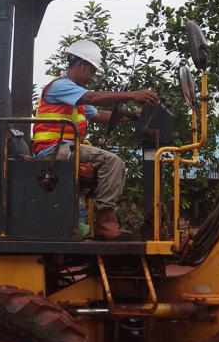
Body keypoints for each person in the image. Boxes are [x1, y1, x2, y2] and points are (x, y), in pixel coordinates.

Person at [32, 40, 158, 241]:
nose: (92, 77)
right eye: (91, 71)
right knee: (112, 162)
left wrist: (134, 116)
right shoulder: (61, 86)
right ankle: (105, 223)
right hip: (53, 150)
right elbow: (92, 98)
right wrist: (133, 95)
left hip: (66, 150)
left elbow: (99, 114)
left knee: (100, 169)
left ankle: (82, 219)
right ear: (81, 64)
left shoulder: (75, 96)